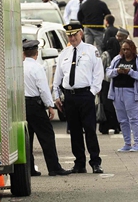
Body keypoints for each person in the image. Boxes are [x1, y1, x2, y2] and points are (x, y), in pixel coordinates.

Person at [52, 22, 105, 174]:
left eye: (75, 34)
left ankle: (95, 162)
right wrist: (57, 96)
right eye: (69, 35)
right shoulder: (64, 54)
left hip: (85, 95)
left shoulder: (91, 50)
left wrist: (92, 92)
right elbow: (58, 77)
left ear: (81, 33)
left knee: (89, 129)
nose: (72, 37)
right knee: (74, 131)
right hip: (70, 97)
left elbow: (98, 73)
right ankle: (79, 163)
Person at [24, 39, 69, 177]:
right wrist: (50, 106)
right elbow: (43, 89)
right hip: (35, 105)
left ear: (24, 53)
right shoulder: (37, 68)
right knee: (47, 136)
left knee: (27, 138)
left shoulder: (19, 66)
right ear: (36, 53)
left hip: (22, 105)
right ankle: (54, 167)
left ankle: (29, 168)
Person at [107, 39, 138, 152]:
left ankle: (137, 143)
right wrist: (117, 71)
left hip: (131, 92)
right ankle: (127, 143)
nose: (125, 51)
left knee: (133, 118)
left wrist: (130, 72)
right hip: (117, 91)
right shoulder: (117, 59)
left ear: (132, 49)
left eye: (127, 49)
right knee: (122, 120)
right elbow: (108, 72)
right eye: (123, 49)